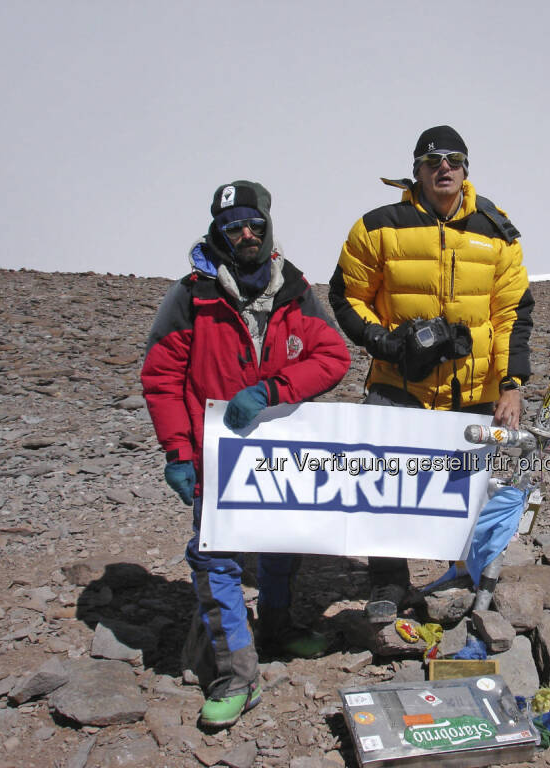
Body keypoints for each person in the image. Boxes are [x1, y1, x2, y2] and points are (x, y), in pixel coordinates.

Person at [141, 180, 350, 728]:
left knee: (280, 540)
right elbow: (162, 377)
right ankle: (236, 674)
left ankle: (277, 625)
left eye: (253, 222)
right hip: (216, 456)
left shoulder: (294, 289)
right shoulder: (193, 294)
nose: (246, 233)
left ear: (267, 224)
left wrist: (274, 390)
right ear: (220, 230)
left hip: (277, 454)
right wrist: (178, 453)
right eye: (233, 226)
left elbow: (332, 356)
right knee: (214, 557)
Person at [328, 125, 534, 625]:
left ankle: (462, 576)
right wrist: (385, 342)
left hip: (473, 387)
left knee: (464, 486)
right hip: (399, 383)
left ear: (466, 169)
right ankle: (388, 581)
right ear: (416, 169)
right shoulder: (378, 226)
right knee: (382, 482)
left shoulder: (497, 230)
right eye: (433, 160)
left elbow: (514, 314)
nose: (445, 168)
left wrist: (512, 384)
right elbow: (345, 296)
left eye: (455, 160)